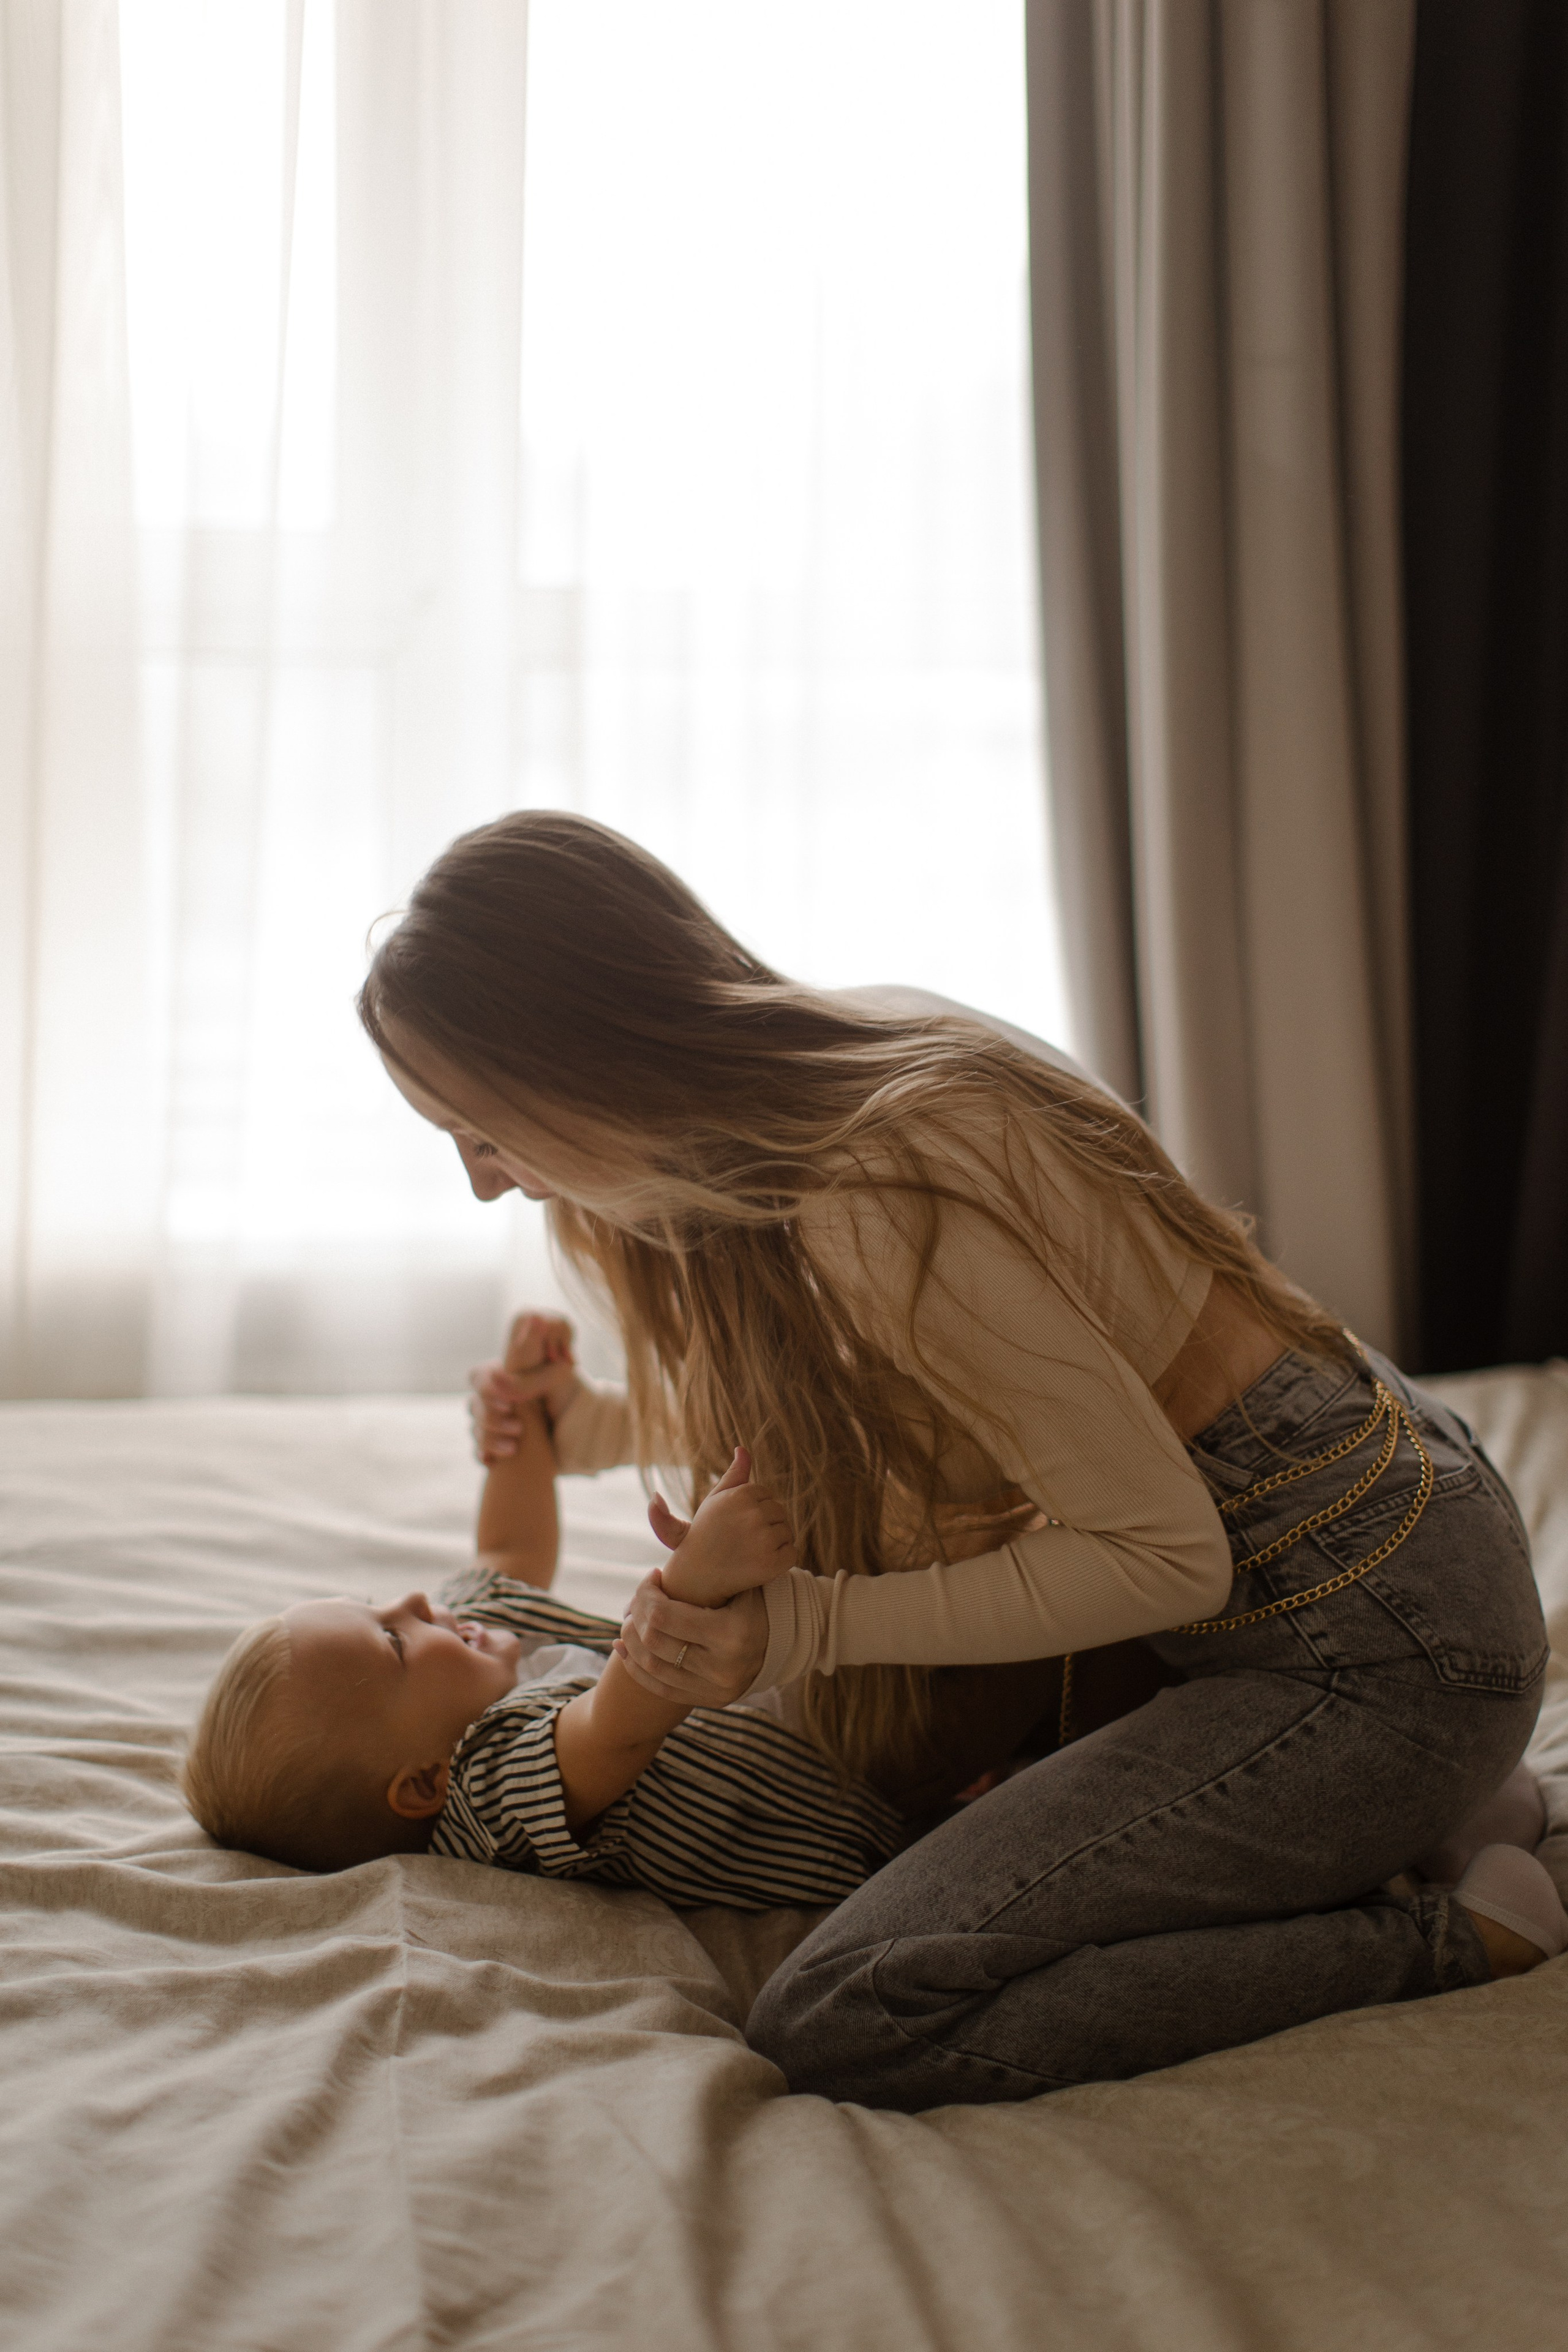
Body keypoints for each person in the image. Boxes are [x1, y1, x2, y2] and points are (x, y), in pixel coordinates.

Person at [358, 809, 1565, 2111]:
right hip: (1371, 1539)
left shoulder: (876, 1180)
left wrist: (807, 1626)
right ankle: (1435, 1819)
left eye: (481, 1132)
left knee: (849, 2013)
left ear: (572, 1060)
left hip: (1371, 1638)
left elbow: (1164, 1555)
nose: (485, 1186)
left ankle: (1449, 1936)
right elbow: (896, 1397)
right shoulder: (828, 1079)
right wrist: (585, 1429)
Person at [181, 1314, 905, 1909]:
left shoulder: (473, 1638)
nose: (412, 1603)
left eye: (378, 1605)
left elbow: (510, 1544)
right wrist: (694, 1581)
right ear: (424, 1782)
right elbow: (617, 1726)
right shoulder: (488, 1793)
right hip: (872, 1837)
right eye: (393, 1642)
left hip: (855, 1716)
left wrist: (517, 1407)